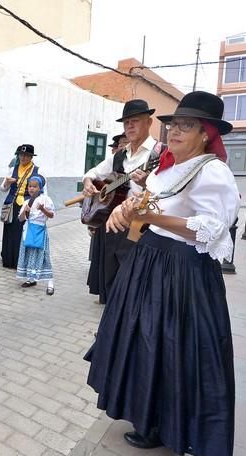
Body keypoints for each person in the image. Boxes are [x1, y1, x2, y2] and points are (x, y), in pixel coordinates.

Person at [85, 91, 239, 456]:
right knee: (141, 340)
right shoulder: (167, 167)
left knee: (170, 346)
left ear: (206, 134)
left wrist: (151, 218)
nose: (176, 131)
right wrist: (125, 209)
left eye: (187, 125)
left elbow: (211, 229)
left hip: (181, 271)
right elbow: (142, 200)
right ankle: (146, 416)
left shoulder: (211, 171)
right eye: (173, 124)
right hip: (149, 260)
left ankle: (166, 425)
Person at [83, 99, 160, 304]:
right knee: (111, 279)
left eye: (135, 121)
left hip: (141, 227)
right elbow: (92, 172)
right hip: (113, 226)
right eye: (126, 123)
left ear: (149, 122)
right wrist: (88, 182)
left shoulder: (160, 153)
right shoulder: (120, 155)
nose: (130, 126)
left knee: (133, 283)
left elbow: (166, 193)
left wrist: (146, 185)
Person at [0, 144, 39, 269]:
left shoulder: (38, 170)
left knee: (23, 233)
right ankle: (8, 259)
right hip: (12, 204)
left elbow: (43, 191)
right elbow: (2, 189)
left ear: (31, 157)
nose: (23, 157)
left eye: (26, 155)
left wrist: (38, 206)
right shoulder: (12, 169)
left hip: (27, 205)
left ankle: (21, 261)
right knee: (10, 232)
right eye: (21, 155)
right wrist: (7, 182)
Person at [16, 175, 54, 295]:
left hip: (40, 231)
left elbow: (52, 215)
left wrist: (43, 209)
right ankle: (30, 279)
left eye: (35, 186)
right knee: (29, 254)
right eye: (30, 186)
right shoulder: (27, 202)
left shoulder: (46, 199)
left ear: (40, 187)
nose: (31, 189)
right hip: (28, 230)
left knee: (44, 256)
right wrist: (25, 211)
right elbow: (21, 219)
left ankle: (50, 283)